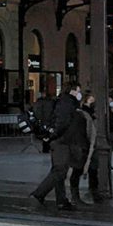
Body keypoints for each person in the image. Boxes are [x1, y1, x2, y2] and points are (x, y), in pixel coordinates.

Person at [29, 82, 84, 211]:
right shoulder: (67, 103)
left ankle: (61, 200)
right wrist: (53, 135)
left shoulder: (64, 101)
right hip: (62, 142)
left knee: (60, 171)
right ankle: (39, 194)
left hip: (61, 141)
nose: (79, 93)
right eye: (78, 90)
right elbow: (62, 122)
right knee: (59, 170)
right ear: (72, 91)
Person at [67, 92, 97, 204]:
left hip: (79, 145)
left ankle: (75, 195)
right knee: (77, 171)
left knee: (79, 170)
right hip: (81, 146)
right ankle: (75, 196)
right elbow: (89, 132)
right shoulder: (83, 115)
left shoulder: (80, 114)